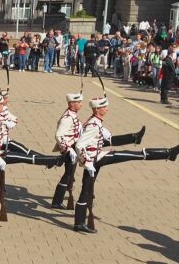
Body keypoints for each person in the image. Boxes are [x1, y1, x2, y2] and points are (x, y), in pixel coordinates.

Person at [73, 96, 179, 233]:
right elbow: (80, 145)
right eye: (104, 107)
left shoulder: (95, 122)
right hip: (95, 159)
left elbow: (104, 136)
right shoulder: (93, 125)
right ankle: (168, 153)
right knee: (131, 155)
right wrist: (87, 163)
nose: (107, 109)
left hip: (96, 157)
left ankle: (79, 222)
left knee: (86, 189)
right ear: (97, 109)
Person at [0, 95, 65, 224]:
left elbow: (7, 123)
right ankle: (53, 160)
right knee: (23, 157)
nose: (3, 106)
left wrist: (8, 124)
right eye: (0, 104)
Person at [50, 92, 145, 208]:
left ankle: (133, 138)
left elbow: (79, 128)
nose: (81, 104)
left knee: (107, 140)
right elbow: (59, 136)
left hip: (77, 146)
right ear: (71, 104)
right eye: (78, 102)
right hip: (72, 150)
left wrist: (98, 128)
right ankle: (57, 201)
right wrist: (68, 150)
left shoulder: (73, 114)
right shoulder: (67, 117)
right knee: (68, 176)